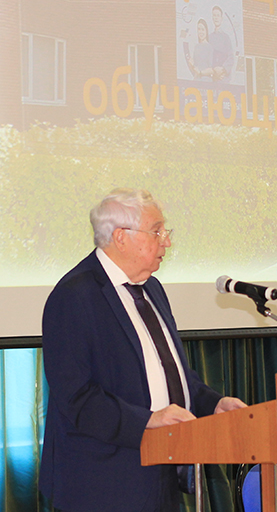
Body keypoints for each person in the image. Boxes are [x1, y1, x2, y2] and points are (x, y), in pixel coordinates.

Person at [40, 189, 247, 512]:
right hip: (103, 484)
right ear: (121, 237)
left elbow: (170, 373)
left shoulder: (151, 288)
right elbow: (77, 398)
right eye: (157, 231)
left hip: (161, 473)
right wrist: (148, 420)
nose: (167, 241)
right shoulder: (74, 296)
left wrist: (212, 403)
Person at [208, 6, 234, 82]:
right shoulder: (209, 37)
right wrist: (213, 73)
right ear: (212, 18)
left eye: (218, 15)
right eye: (214, 15)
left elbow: (231, 57)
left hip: (223, 78)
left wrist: (223, 70)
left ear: (221, 18)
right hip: (212, 78)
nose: (216, 18)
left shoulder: (226, 37)